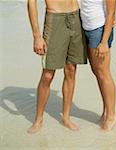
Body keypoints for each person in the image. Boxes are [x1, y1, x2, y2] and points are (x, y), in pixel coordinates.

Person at [27, 0, 87, 134]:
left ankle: (66, 118)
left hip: (76, 17)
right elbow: (31, 3)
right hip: (54, 20)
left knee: (71, 70)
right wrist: (37, 36)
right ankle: (38, 119)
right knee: (48, 75)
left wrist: (108, 15)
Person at [80, 0, 116, 131]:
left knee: (103, 73)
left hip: (100, 29)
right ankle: (106, 110)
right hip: (87, 28)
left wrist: (104, 42)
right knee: (97, 73)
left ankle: (112, 115)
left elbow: (111, 10)